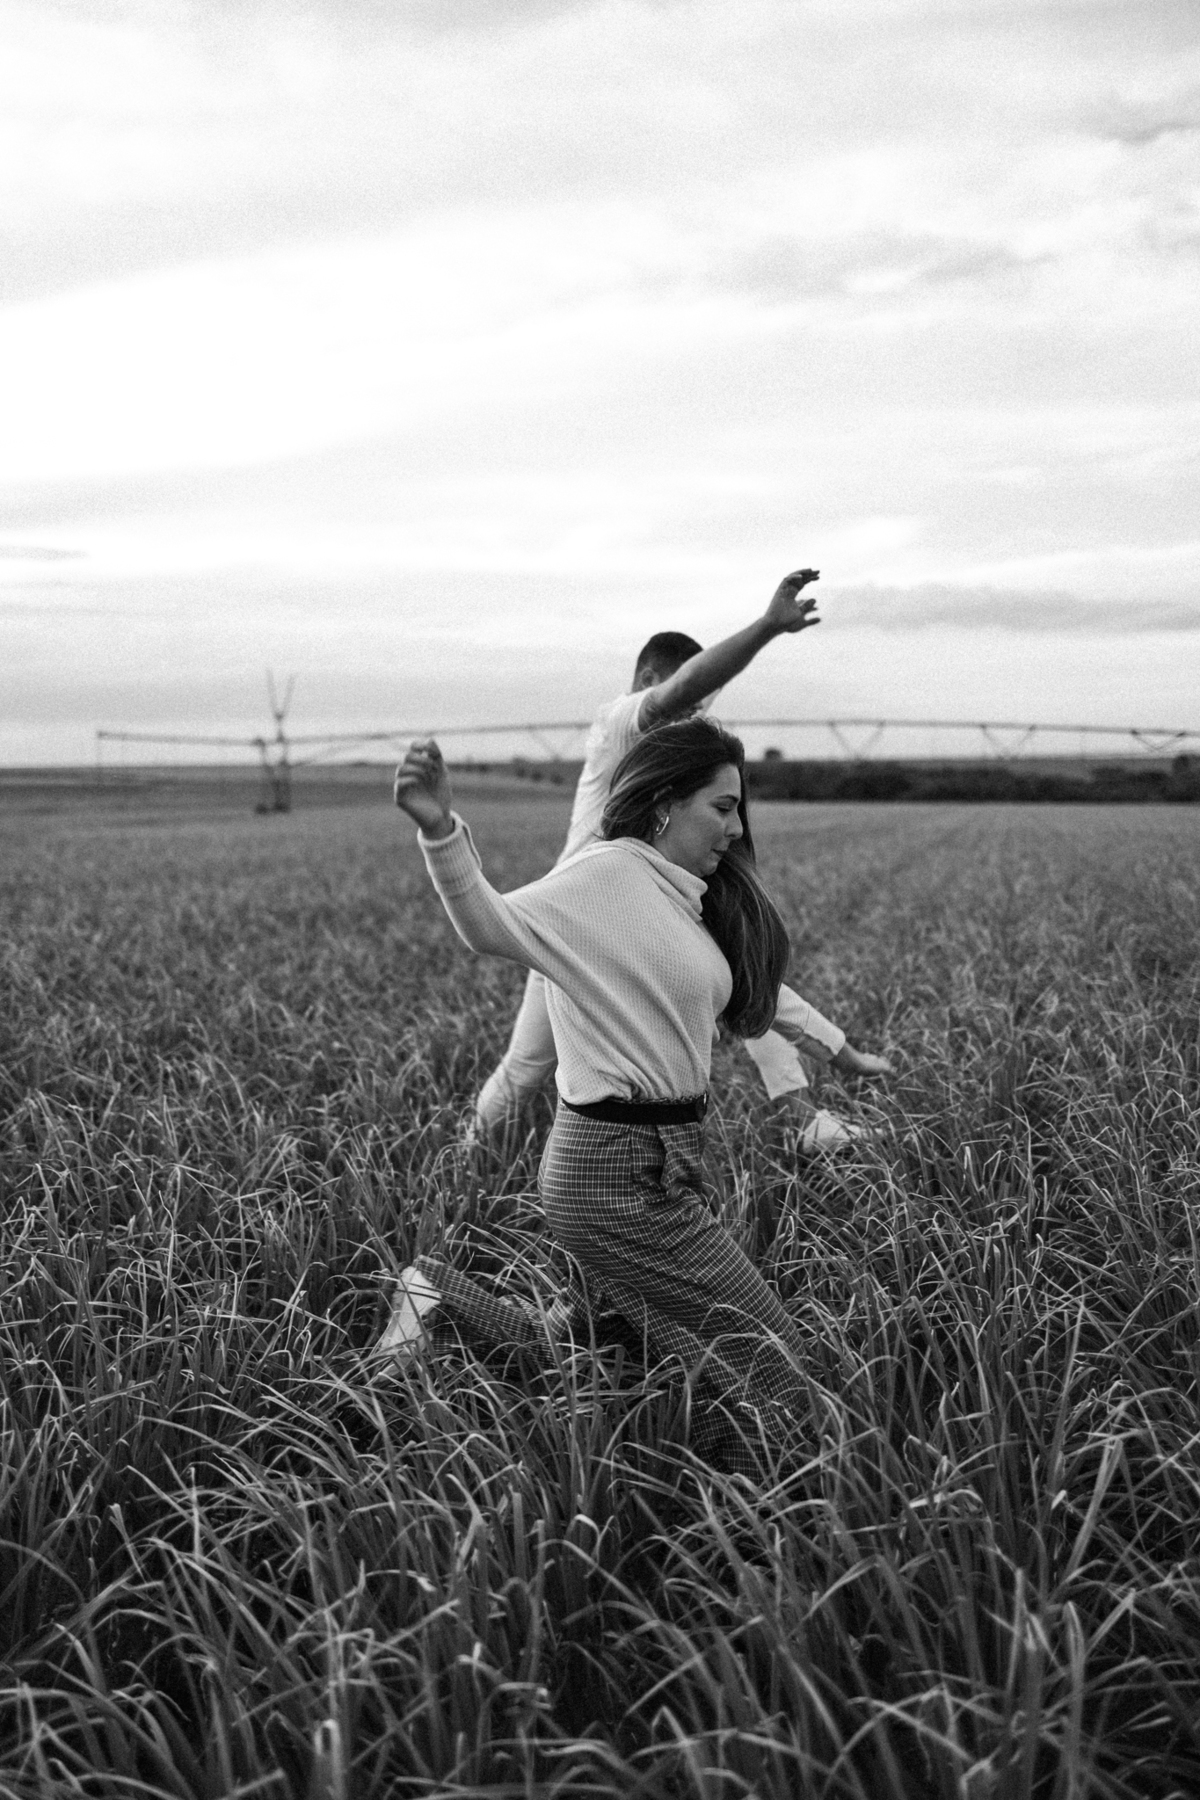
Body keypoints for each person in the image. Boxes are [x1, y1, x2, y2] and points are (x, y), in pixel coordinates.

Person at [384, 716, 893, 1475]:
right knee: (770, 1363)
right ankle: (754, 1510)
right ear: (664, 803)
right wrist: (440, 831)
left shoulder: (686, 898)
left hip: (661, 1160)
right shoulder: (605, 876)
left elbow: (754, 991)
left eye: (739, 808)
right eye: (722, 806)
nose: (736, 827)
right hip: (614, 1170)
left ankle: (438, 1296)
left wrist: (841, 1051)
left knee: (600, 1350)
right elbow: (491, 924)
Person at [472, 569, 884, 1153]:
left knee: (741, 972)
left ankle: (802, 1122)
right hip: (581, 922)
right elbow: (683, 687)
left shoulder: (677, 800)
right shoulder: (621, 722)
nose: (692, 720)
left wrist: (843, 1051)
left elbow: (756, 988)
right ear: (648, 681)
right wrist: (767, 627)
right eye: (688, 706)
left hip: (646, 916)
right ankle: (467, 1159)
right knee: (525, 1070)